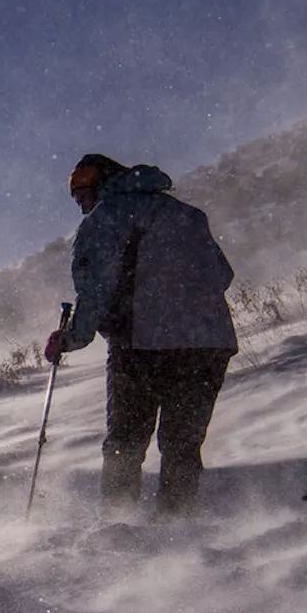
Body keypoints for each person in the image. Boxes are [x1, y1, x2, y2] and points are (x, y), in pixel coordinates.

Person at [44, 154, 237, 516]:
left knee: (125, 442)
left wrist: (69, 339)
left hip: (144, 344)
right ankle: (176, 526)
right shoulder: (188, 215)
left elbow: (96, 290)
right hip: (209, 344)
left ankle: (119, 527)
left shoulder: (106, 218)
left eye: (82, 189)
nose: (79, 200)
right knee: (182, 444)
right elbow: (222, 275)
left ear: (103, 182)